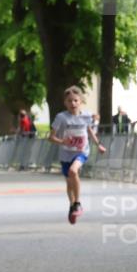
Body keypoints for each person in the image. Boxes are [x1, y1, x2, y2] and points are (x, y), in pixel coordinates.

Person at [48, 86, 106, 224]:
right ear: (65, 103)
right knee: (69, 183)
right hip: (66, 154)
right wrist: (63, 141)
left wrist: (98, 145)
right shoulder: (61, 118)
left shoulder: (86, 116)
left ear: (81, 101)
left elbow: (90, 131)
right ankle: (72, 205)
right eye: (69, 101)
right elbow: (50, 138)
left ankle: (78, 203)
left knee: (74, 171)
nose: (73, 103)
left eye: (75, 100)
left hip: (81, 152)